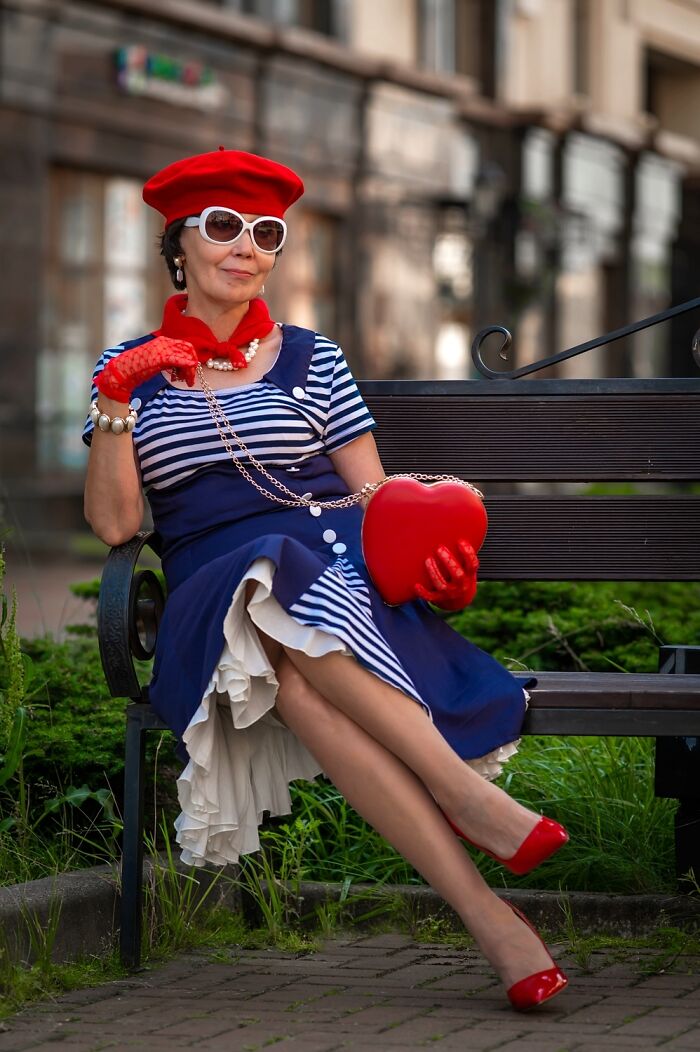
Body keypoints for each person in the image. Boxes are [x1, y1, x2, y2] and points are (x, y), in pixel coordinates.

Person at [83, 148, 569, 1011]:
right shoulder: (130, 371)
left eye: (265, 232)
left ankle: (493, 921)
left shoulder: (313, 357)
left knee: (296, 671)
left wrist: (433, 560)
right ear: (180, 245)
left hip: (336, 582)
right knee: (262, 580)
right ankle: (466, 797)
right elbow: (119, 528)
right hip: (211, 588)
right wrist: (118, 401)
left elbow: (374, 493)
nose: (247, 246)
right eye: (224, 227)